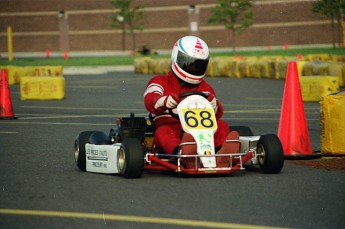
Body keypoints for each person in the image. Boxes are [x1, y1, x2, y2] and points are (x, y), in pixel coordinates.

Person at [144, 36, 239, 168]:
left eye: (198, 65)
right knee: (162, 132)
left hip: (201, 132)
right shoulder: (160, 82)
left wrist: (215, 106)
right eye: (189, 63)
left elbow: (215, 116)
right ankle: (184, 155)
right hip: (172, 129)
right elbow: (150, 99)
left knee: (222, 126)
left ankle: (221, 155)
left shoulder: (205, 88)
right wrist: (163, 101)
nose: (193, 68)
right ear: (176, 58)